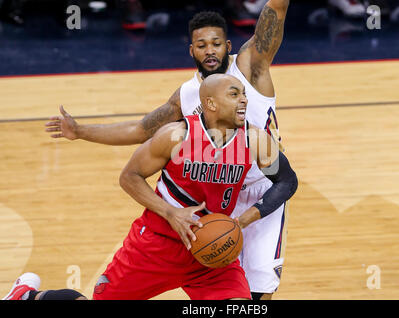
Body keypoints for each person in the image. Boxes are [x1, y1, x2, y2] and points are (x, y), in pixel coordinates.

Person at [46, 1, 290, 300]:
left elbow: (275, 11)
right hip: (206, 202)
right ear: (192, 51)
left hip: (258, 190)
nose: (210, 51)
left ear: (228, 45)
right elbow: (140, 131)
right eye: (202, 45)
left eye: (216, 44)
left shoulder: (251, 66)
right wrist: (81, 131)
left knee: (257, 293)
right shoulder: (187, 95)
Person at [7, 74, 298, 300]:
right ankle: (27, 295)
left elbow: (287, 181)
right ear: (210, 103)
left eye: (245, 94)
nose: (244, 100)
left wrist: (243, 220)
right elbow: (129, 176)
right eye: (234, 94)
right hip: (158, 243)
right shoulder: (176, 137)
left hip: (211, 253)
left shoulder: (255, 141)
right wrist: (171, 212)